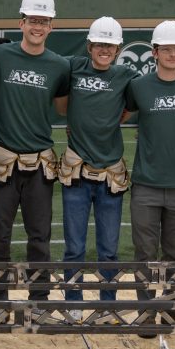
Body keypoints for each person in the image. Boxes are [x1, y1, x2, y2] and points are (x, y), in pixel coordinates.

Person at [0, 0, 70, 308]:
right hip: (3, 161)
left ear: (51, 27)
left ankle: (40, 302)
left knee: (40, 238)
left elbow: (62, 107)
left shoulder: (59, 65)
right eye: (33, 20)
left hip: (39, 165)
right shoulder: (0, 56)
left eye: (44, 21)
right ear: (21, 22)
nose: (37, 26)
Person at [56, 17, 137, 322]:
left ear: (118, 49)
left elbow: (138, 101)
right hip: (76, 173)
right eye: (100, 44)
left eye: (111, 45)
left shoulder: (126, 75)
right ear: (89, 45)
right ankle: (73, 303)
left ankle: (107, 304)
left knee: (109, 250)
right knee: (74, 248)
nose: (105, 49)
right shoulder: (72, 67)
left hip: (110, 176)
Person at [125, 20, 175, 338]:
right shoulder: (139, 86)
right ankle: (146, 310)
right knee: (144, 252)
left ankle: (170, 307)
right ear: (154, 52)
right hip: (146, 183)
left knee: (174, 251)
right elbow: (118, 115)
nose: (172, 53)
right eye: (166, 48)